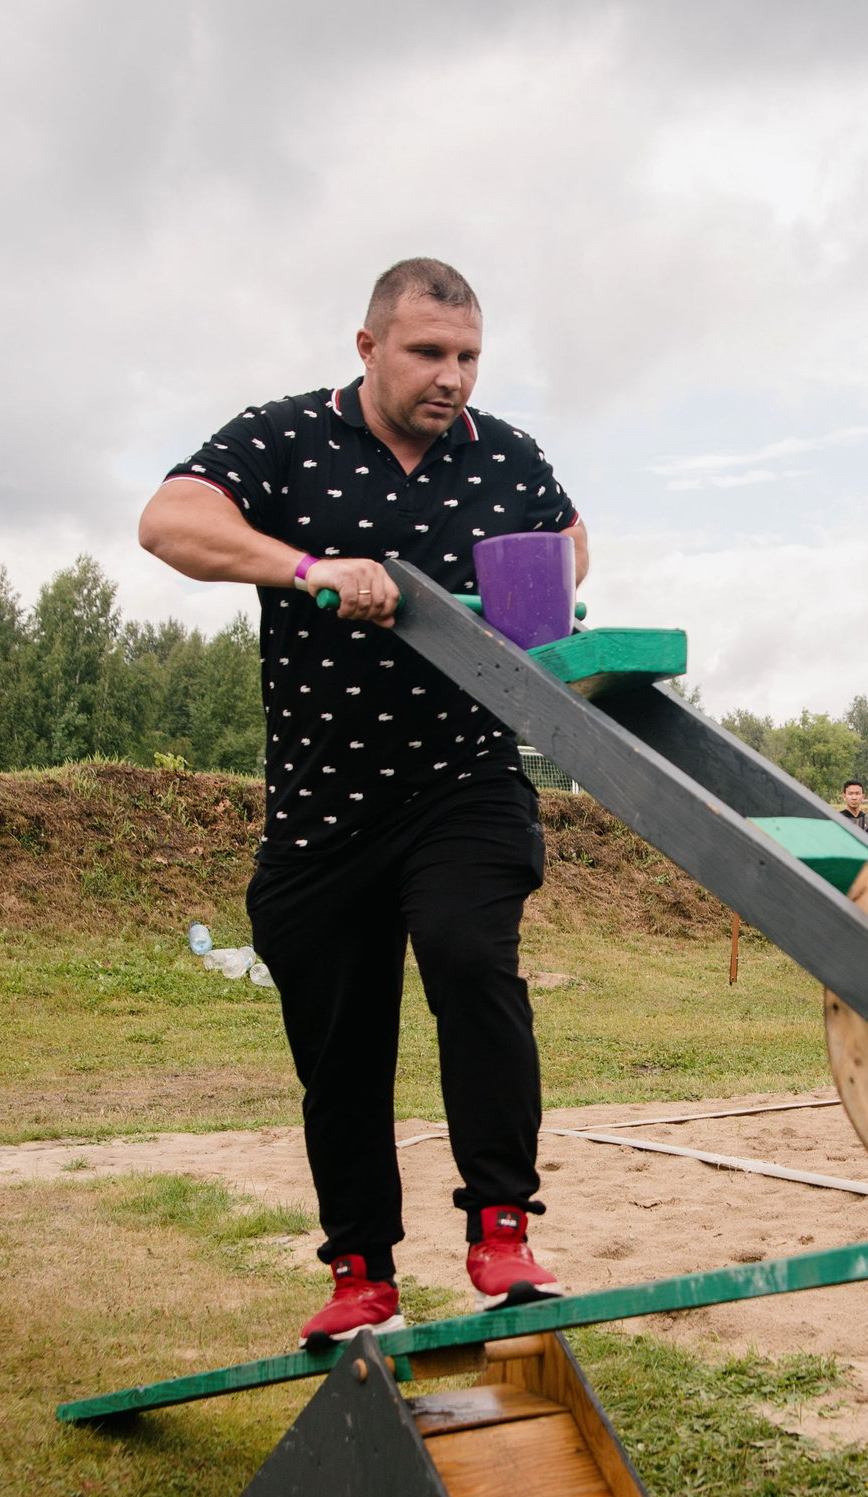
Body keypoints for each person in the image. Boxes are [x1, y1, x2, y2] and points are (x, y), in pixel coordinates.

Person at [140, 257, 588, 1344]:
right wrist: (307, 568)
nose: (451, 378)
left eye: (468, 357)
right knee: (339, 1045)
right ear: (369, 347)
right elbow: (168, 522)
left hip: (464, 782)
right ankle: (360, 1267)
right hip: (322, 807)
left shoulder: (505, 455)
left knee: (469, 958)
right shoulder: (283, 437)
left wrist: (549, 587)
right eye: (429, 353)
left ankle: (499, 1222)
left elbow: (570, 540)